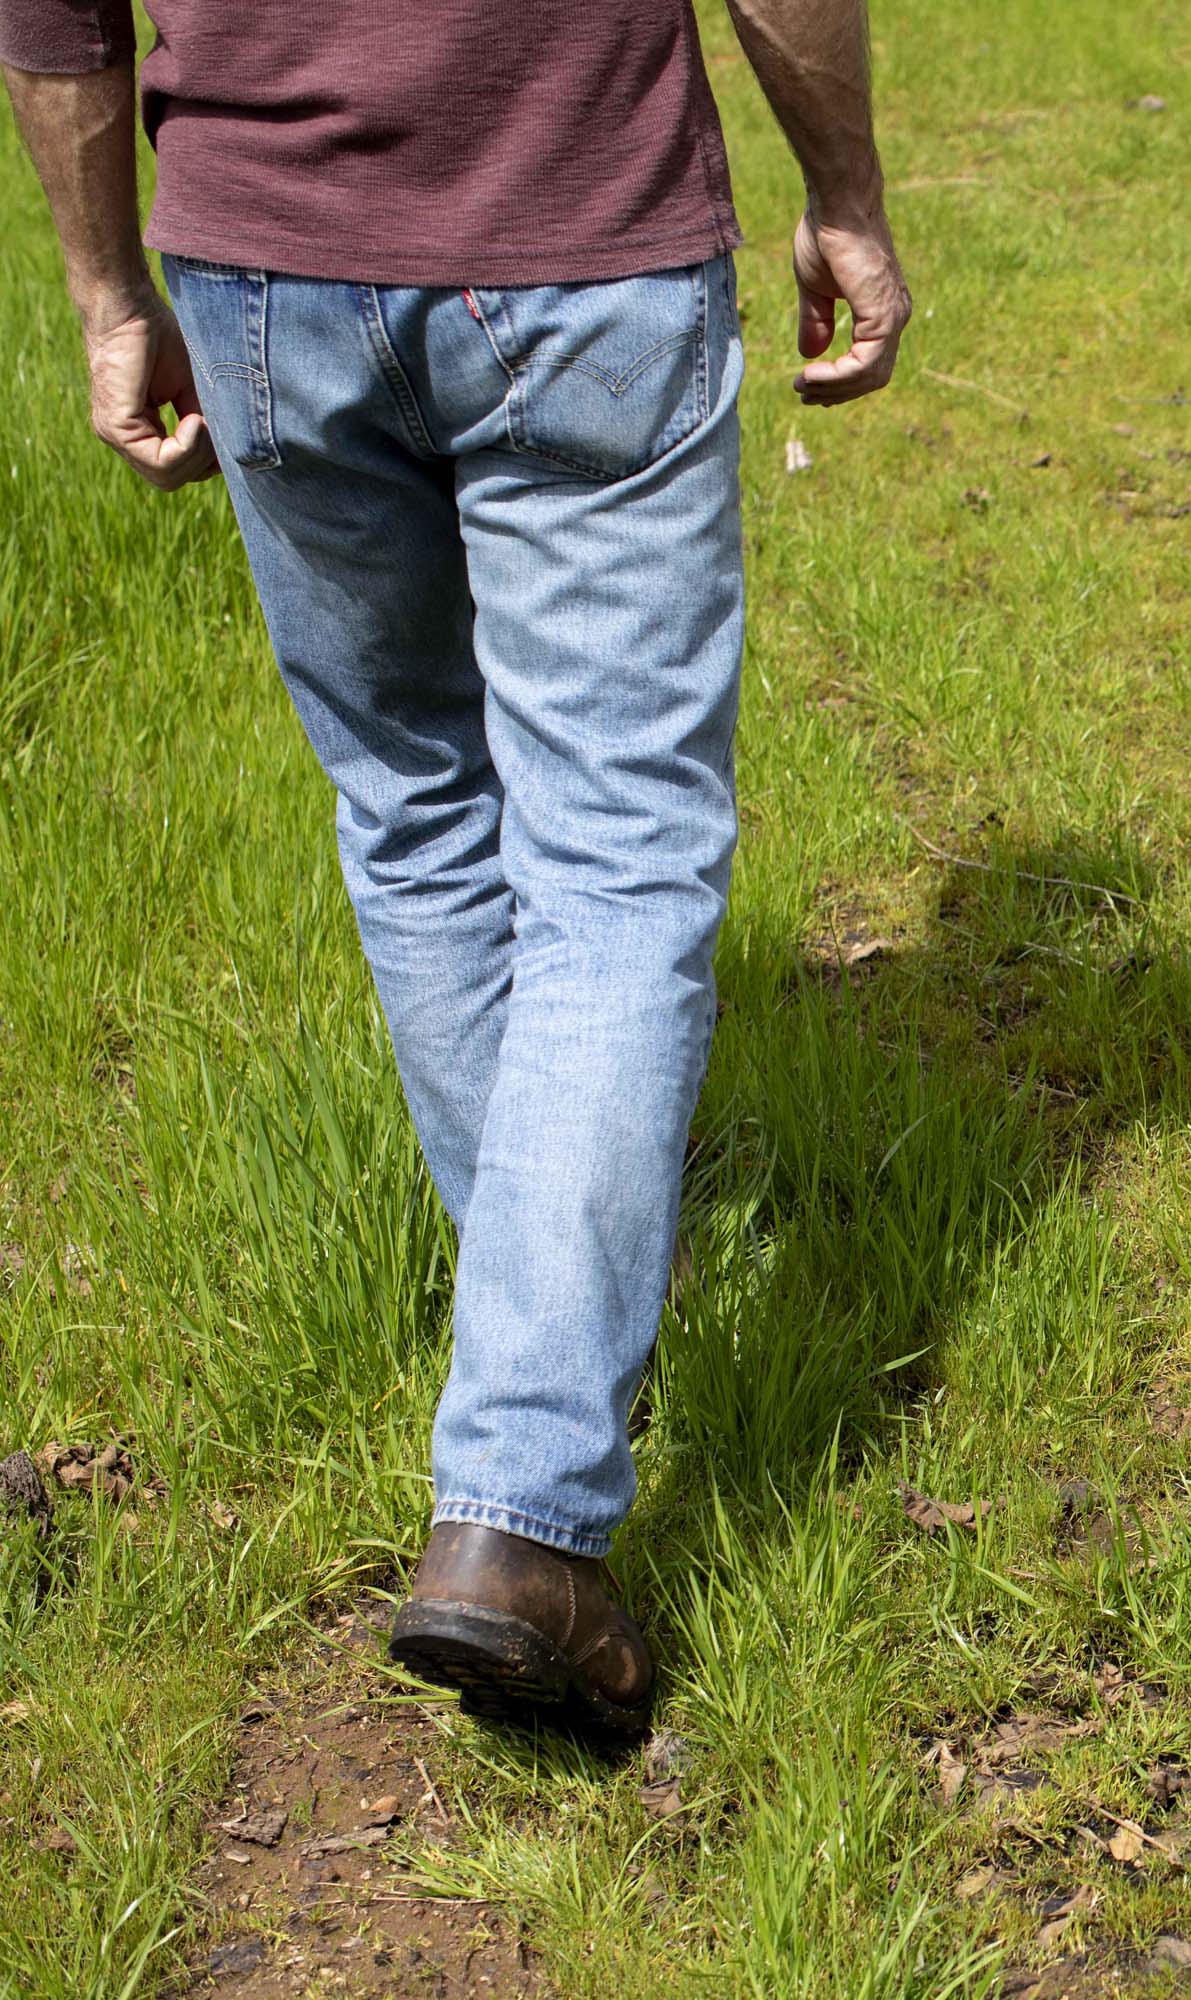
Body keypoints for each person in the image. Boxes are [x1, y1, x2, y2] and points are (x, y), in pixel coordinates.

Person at [3, 0, 910, 1733]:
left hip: (263, 272)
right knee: (616, 863)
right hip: (578, 241)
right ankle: (522, 1503)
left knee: (416, 808)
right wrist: (845, 190)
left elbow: (53, 14)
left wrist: (108, 291)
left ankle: (531, 1384)